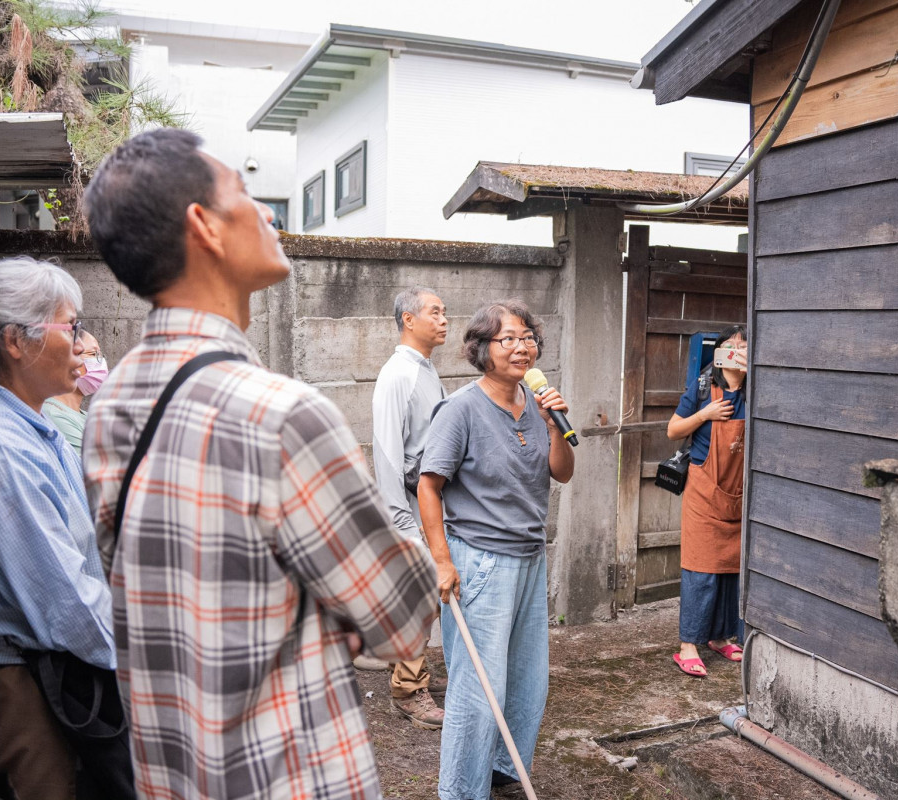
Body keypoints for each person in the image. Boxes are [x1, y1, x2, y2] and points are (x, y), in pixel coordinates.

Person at [81, 128, 440, 799]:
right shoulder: (282, 414)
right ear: (204, 227)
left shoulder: (111, 405)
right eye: (245, 193)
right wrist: (332, 608)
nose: (268, 213)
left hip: (171, 775)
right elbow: (403, 619)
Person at [0, 258, 131, 799]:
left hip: (60, 672)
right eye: (73, 327)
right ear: (18, 341)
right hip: (36, 688)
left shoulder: (32, 428)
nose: (85, 343)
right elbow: (67, 605)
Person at [417, 299, 574, 800]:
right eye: (508, 338)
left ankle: (503, 771)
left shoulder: (536, 402)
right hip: (481, 561)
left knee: (528, 683)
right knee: (478, 691)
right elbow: (428, 485)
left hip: (530, 557)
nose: (522, 346)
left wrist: (555, 424)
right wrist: (443, 560)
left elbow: (563, 471)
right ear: (482, 349)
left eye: (527, 336)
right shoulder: (461, 409)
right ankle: (461, 790)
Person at [371, 286, 449, 729]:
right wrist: (404, 524)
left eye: (444, 313)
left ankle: (398, 663)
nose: (443, 320)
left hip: (426, 501)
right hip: (408, 507)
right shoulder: (398, 375)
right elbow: (386, 452)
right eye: (434, 312)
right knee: (423, 595)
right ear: (408, 319)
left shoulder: (424, 370)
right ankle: (408, 689)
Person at [666, 325, 748, 678]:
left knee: (731, 570)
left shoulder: (755, 392)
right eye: (732, 345)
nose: (738, 351)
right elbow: (673, 430)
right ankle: (688, 646)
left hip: (738, 490)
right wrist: (706, 415)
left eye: (745, 346)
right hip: (703, 489)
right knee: (701, 568)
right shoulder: (703, 388)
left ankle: (721, 637)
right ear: (721, 353)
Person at [42, 329, 107, 454]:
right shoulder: (55, 416)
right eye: (94, 354)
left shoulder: (86, 415)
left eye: (100, 355)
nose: (101, 362)